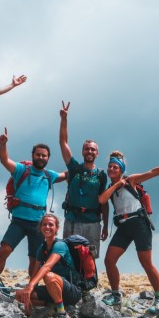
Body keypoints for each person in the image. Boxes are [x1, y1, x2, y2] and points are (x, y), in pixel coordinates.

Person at [99, 151, 159, 314]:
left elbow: (154, 172)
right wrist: (115, 186)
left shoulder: (131, 180)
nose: (111, 169)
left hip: (139, 223)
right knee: (109, 260)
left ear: (121, 170)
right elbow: (101, 201)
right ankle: (115, 295)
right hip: (123, 227)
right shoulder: (110, 189)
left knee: (146, 263)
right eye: (110, 166)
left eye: (115, 167)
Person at [0, 128, 66, 290]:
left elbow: (67, 174)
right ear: (33, 156)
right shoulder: (22, 170)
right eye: (38, 155)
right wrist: (3, 144)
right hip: (19, 221)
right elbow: (5, 160)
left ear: (48, 158)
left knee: (34, 260)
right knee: (4, 250)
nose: (41, 158)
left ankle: (31, 289)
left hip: (38, 224)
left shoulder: (50, 176)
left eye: (44, 155)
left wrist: (82, 166)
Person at [15, 214, 83, 318]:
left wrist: (30, 286)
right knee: (19, 294)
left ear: (56, 228)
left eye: (51, 224)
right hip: (54, 289)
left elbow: (47, 266)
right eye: (44, 224)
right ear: (40, 227)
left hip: (72, 291)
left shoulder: (60, 245)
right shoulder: (41, 249)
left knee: (49, 276)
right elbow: (35, 273)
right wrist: (28, 295)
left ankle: (62, 315)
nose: (47, 227)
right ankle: (53, 306)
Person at [59, 101, 109, 259]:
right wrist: (64, 119)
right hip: (72, 220)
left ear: (97, 153)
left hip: (93, 222)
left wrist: (106, 225)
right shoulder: (74, 168)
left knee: (90, 258)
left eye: (93, 149)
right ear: (82, 151)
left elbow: (104, 202)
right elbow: (63, 143)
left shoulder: (101, 174)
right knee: (70, 256)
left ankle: (88, 284)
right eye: (87, 149)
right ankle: (71, 283)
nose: (90, 151)